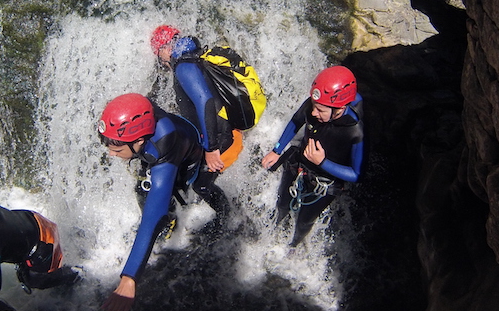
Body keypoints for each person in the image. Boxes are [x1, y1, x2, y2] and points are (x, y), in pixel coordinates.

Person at [97, 93, 203, 311]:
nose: (111, 154)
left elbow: (152, 217)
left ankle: (175, 221)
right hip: (171, 136)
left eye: (116, 149)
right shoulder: (140, 117)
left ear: (139, 142)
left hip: (187, 156)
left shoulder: (162, 147)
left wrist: (129, 278)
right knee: (140, 190)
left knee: (163, 200)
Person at [261, 65, 364, 247]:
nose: (314, 113)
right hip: (299, 164)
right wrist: (277, 150)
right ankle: (273, 232)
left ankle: (293, 246)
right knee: (282, 205)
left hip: (325, 184)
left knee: (304, 221)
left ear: (339, 109)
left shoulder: (355, 132)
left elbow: (356, 175)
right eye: (314, 107)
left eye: (321, 111)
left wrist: (322, 162)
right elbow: (296, 120)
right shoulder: (315, 104)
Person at [150, 25, 239, 226]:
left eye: (157, 53)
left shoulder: (184, 66)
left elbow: (205, 101)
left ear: (164, 49)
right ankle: (173, 221)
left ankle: (231, 221)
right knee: (182, 176)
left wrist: (211, 148)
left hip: (221, 137)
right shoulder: (192, 58)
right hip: (214, 133)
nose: (160, 60)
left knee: (201, 185)